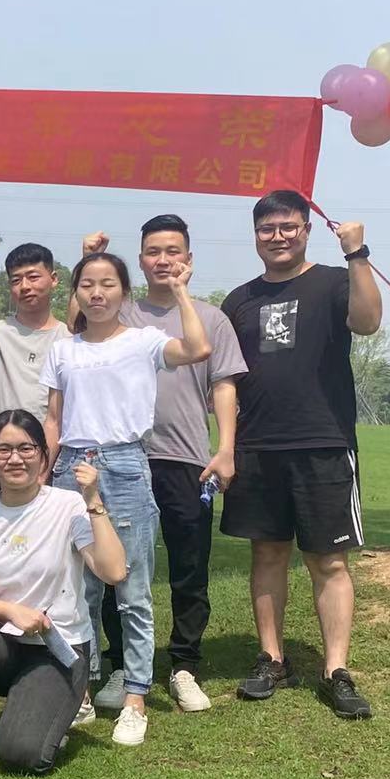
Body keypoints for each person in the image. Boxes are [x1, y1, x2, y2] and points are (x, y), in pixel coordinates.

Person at [220, 190, 382, 719]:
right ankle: (272, 659)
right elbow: (223, 376)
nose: (278, 237)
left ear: (307, 230)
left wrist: (357, 254)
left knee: (328, 560)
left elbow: (368, 322)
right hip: (258, 445)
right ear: (256, 236)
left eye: (288, 226)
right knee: (267, 554)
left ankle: (336, 669)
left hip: (324, 442)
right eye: (267, 228)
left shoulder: (334, 281)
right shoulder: (239, 300)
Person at [80, 217, 249, 714]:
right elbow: (77, 326)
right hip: (122, 458)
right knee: (115, 565)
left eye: (173, 251)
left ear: (188, 260)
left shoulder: (210, 318)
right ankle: (120, 664)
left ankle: (183, 665)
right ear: (140, 260)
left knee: (188, 564)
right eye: (153, 252)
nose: (163, 260)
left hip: (186, 457)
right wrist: (88, 258)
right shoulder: (120, 313)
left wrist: (226, 447)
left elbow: (223, 384)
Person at [42, 250, 210, 745]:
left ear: (124, 292)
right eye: (87, 285)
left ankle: (135, 696)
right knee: (78, 590)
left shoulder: (143, 341)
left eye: (108, 284)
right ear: (76, 293)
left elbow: (198, 348)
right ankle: (82, 691)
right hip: (71, 467)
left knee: (131, 590)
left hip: (126, 465)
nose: (97, 293)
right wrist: (46, 478)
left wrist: (180, 291)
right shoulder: (63, 350)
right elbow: (53, 419)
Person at [0, 410, 126, 772]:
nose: (15, 458)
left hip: (58, 650)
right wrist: (11, 611)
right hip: (4, 643)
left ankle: (47, 711)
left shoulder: (67, 505)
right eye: (3, 449)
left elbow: (114, 572)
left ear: (44, 456)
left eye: (26, 448)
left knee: (21, 753)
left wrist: (93, 500)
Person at [0, 238, 64, 500]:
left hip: (45, 463)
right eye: (16, 280)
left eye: (33, 277)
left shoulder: (67, 339)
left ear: (54, 279)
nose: (25, 286)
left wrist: (44, 470)